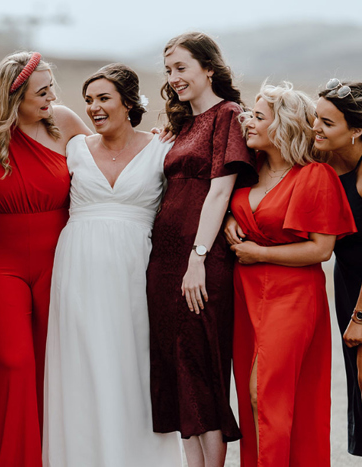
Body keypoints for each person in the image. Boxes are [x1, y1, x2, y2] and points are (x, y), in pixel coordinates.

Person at [42, 63, 182, 466]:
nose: (94, 108)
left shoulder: (162, 148)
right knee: (82, 365)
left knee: (134, 364)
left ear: (130, 102)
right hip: (78, 270)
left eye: (104, 98)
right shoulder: (74, 148)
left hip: (137, 269)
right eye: (88, 100)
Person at [0, 51, 91, 466]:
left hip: (60, 261)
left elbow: (110, 160)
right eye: (42, 91)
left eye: (52, 87)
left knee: (50, 364)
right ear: (14, 94)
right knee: (14, 363)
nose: (52, 97)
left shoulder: (67, 122)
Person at [224, 82, 356, 466]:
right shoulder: (247, 174)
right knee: (254, 400)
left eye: (258, 116)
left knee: (263, 393)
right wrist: (231, 216)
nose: (247, 121)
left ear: (281, 126)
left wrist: (260, 252)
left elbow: (322, 249)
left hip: (292, 294)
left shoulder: (314, 176)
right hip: (246, 292)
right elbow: (248, 209)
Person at [145, 31, 256, 467]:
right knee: (177, 372)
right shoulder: (182, 124)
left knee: (203, 372)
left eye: (182, 68)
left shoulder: (228, 115)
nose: (174, 78)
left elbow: (219, 192)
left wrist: (199, 258)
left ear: (209, 68)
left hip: (199, 261)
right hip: (164, 264)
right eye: (169, 70)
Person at [315, 79, 362, 464]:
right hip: (350, 278)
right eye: (317, 119)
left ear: (356, 130)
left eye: (327, 123)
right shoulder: (325, 154)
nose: (317, 129)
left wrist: (360, 318)